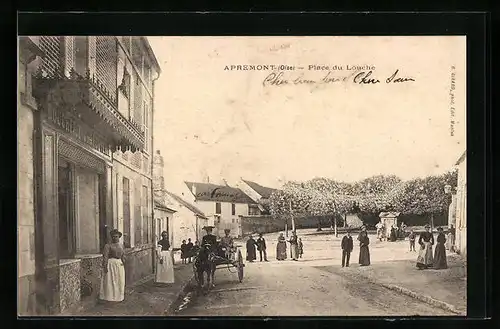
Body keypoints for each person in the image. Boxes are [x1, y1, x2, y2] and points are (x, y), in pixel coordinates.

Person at [100, 229, 126, 302]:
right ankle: (110, 297)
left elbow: (123, 255)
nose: (115, 238)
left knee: (119, 280)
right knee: (110, 280)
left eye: (117, 236)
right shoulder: (108, 246)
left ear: (119, 237)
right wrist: (105, 266)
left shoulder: (121, 245)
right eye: (113, 237)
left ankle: (119, 297)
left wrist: (123, 261)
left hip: (119, 264)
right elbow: (105, 257)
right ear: (111, 237)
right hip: (111, 264)